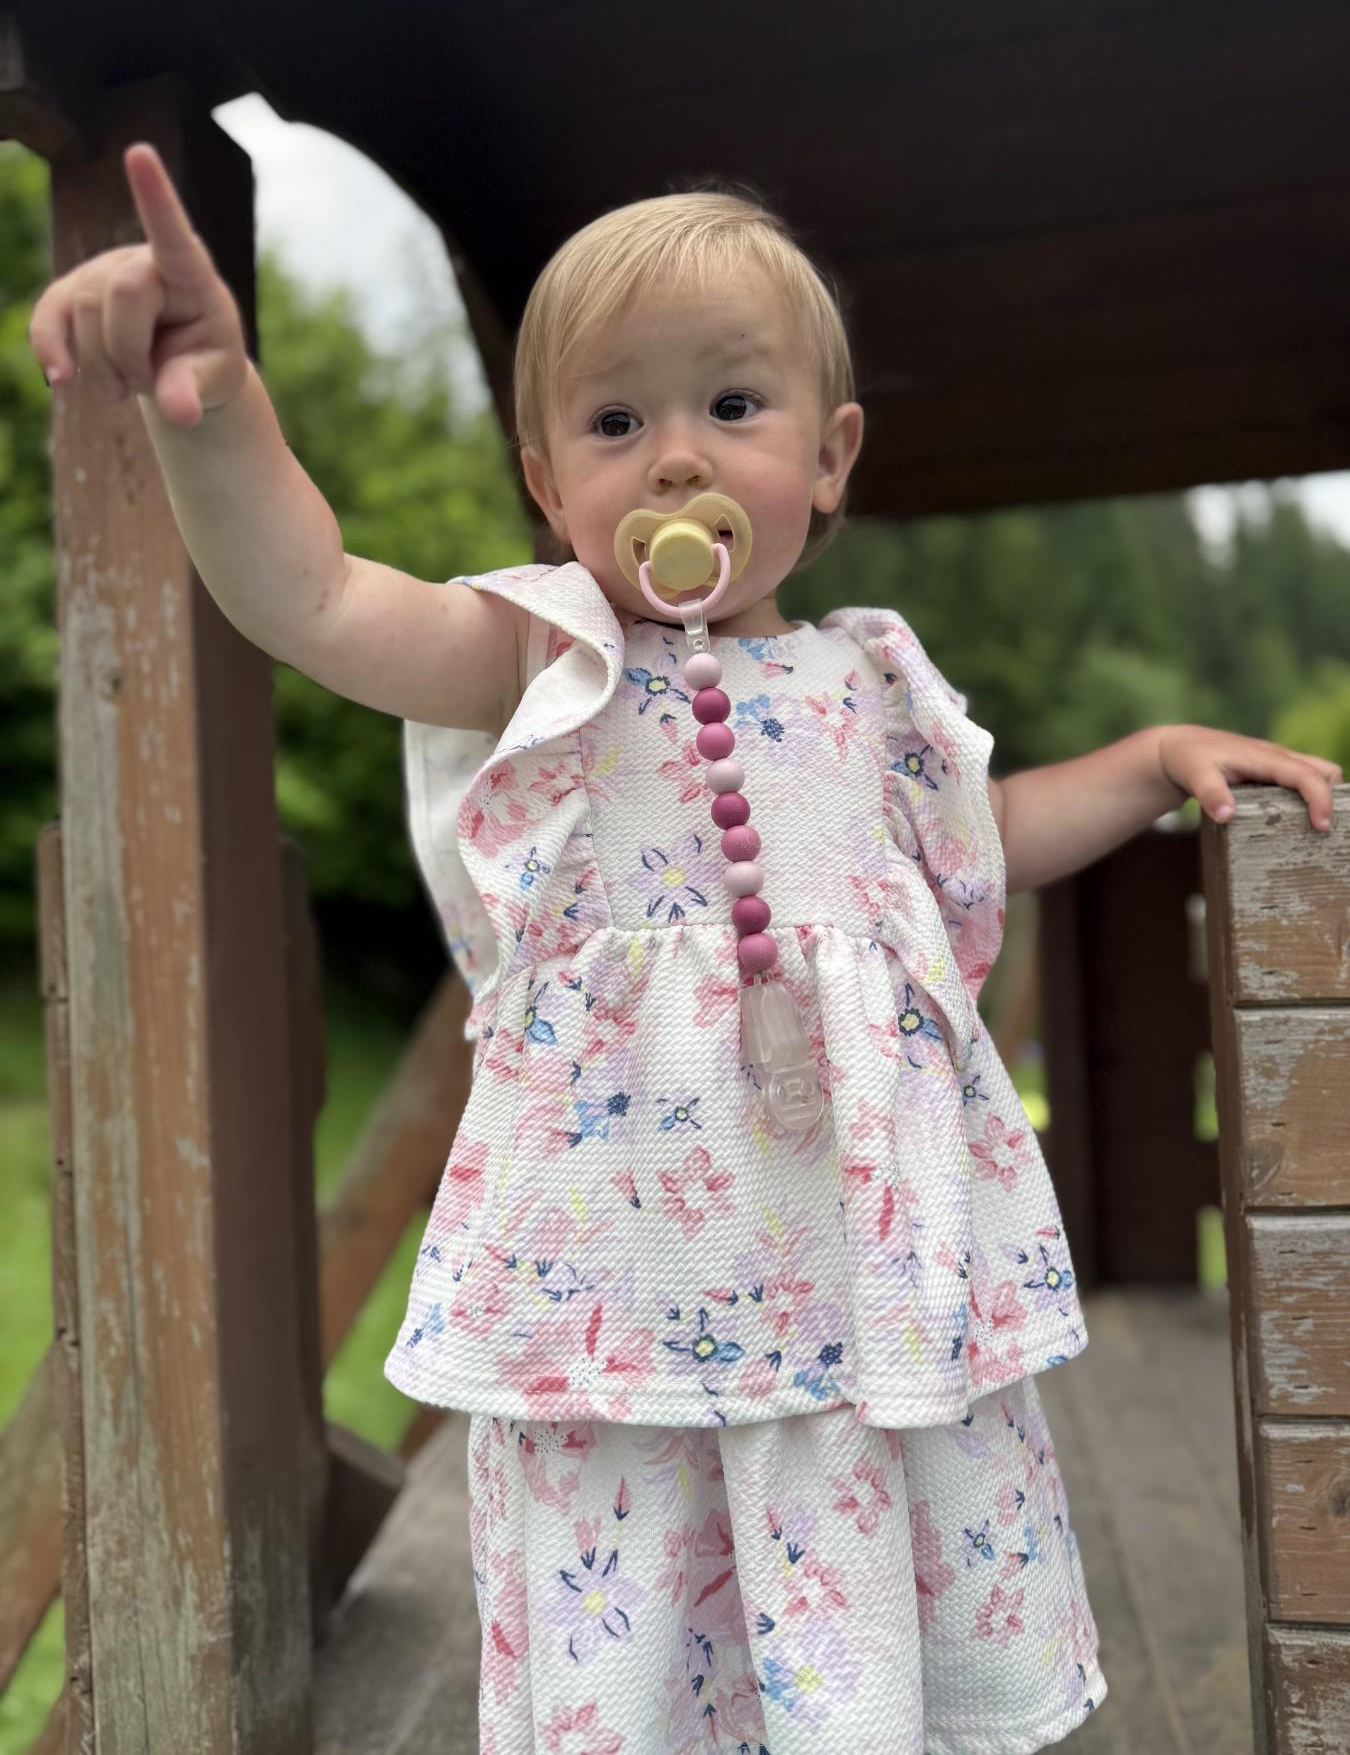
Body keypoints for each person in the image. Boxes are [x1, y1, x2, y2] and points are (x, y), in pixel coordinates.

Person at [30, 143, 1340, 1755]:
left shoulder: (869, 684)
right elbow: (306, 595)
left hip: (849, 1266)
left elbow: (978, 837)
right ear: (544, 483)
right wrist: (218, 403)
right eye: (613, 422)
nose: (672, 460)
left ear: (828, 456)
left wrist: (1144, 763)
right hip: (624, 1275)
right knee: (638, 1571)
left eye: (730, 406)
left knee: (842, 1521)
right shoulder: (546, 659)